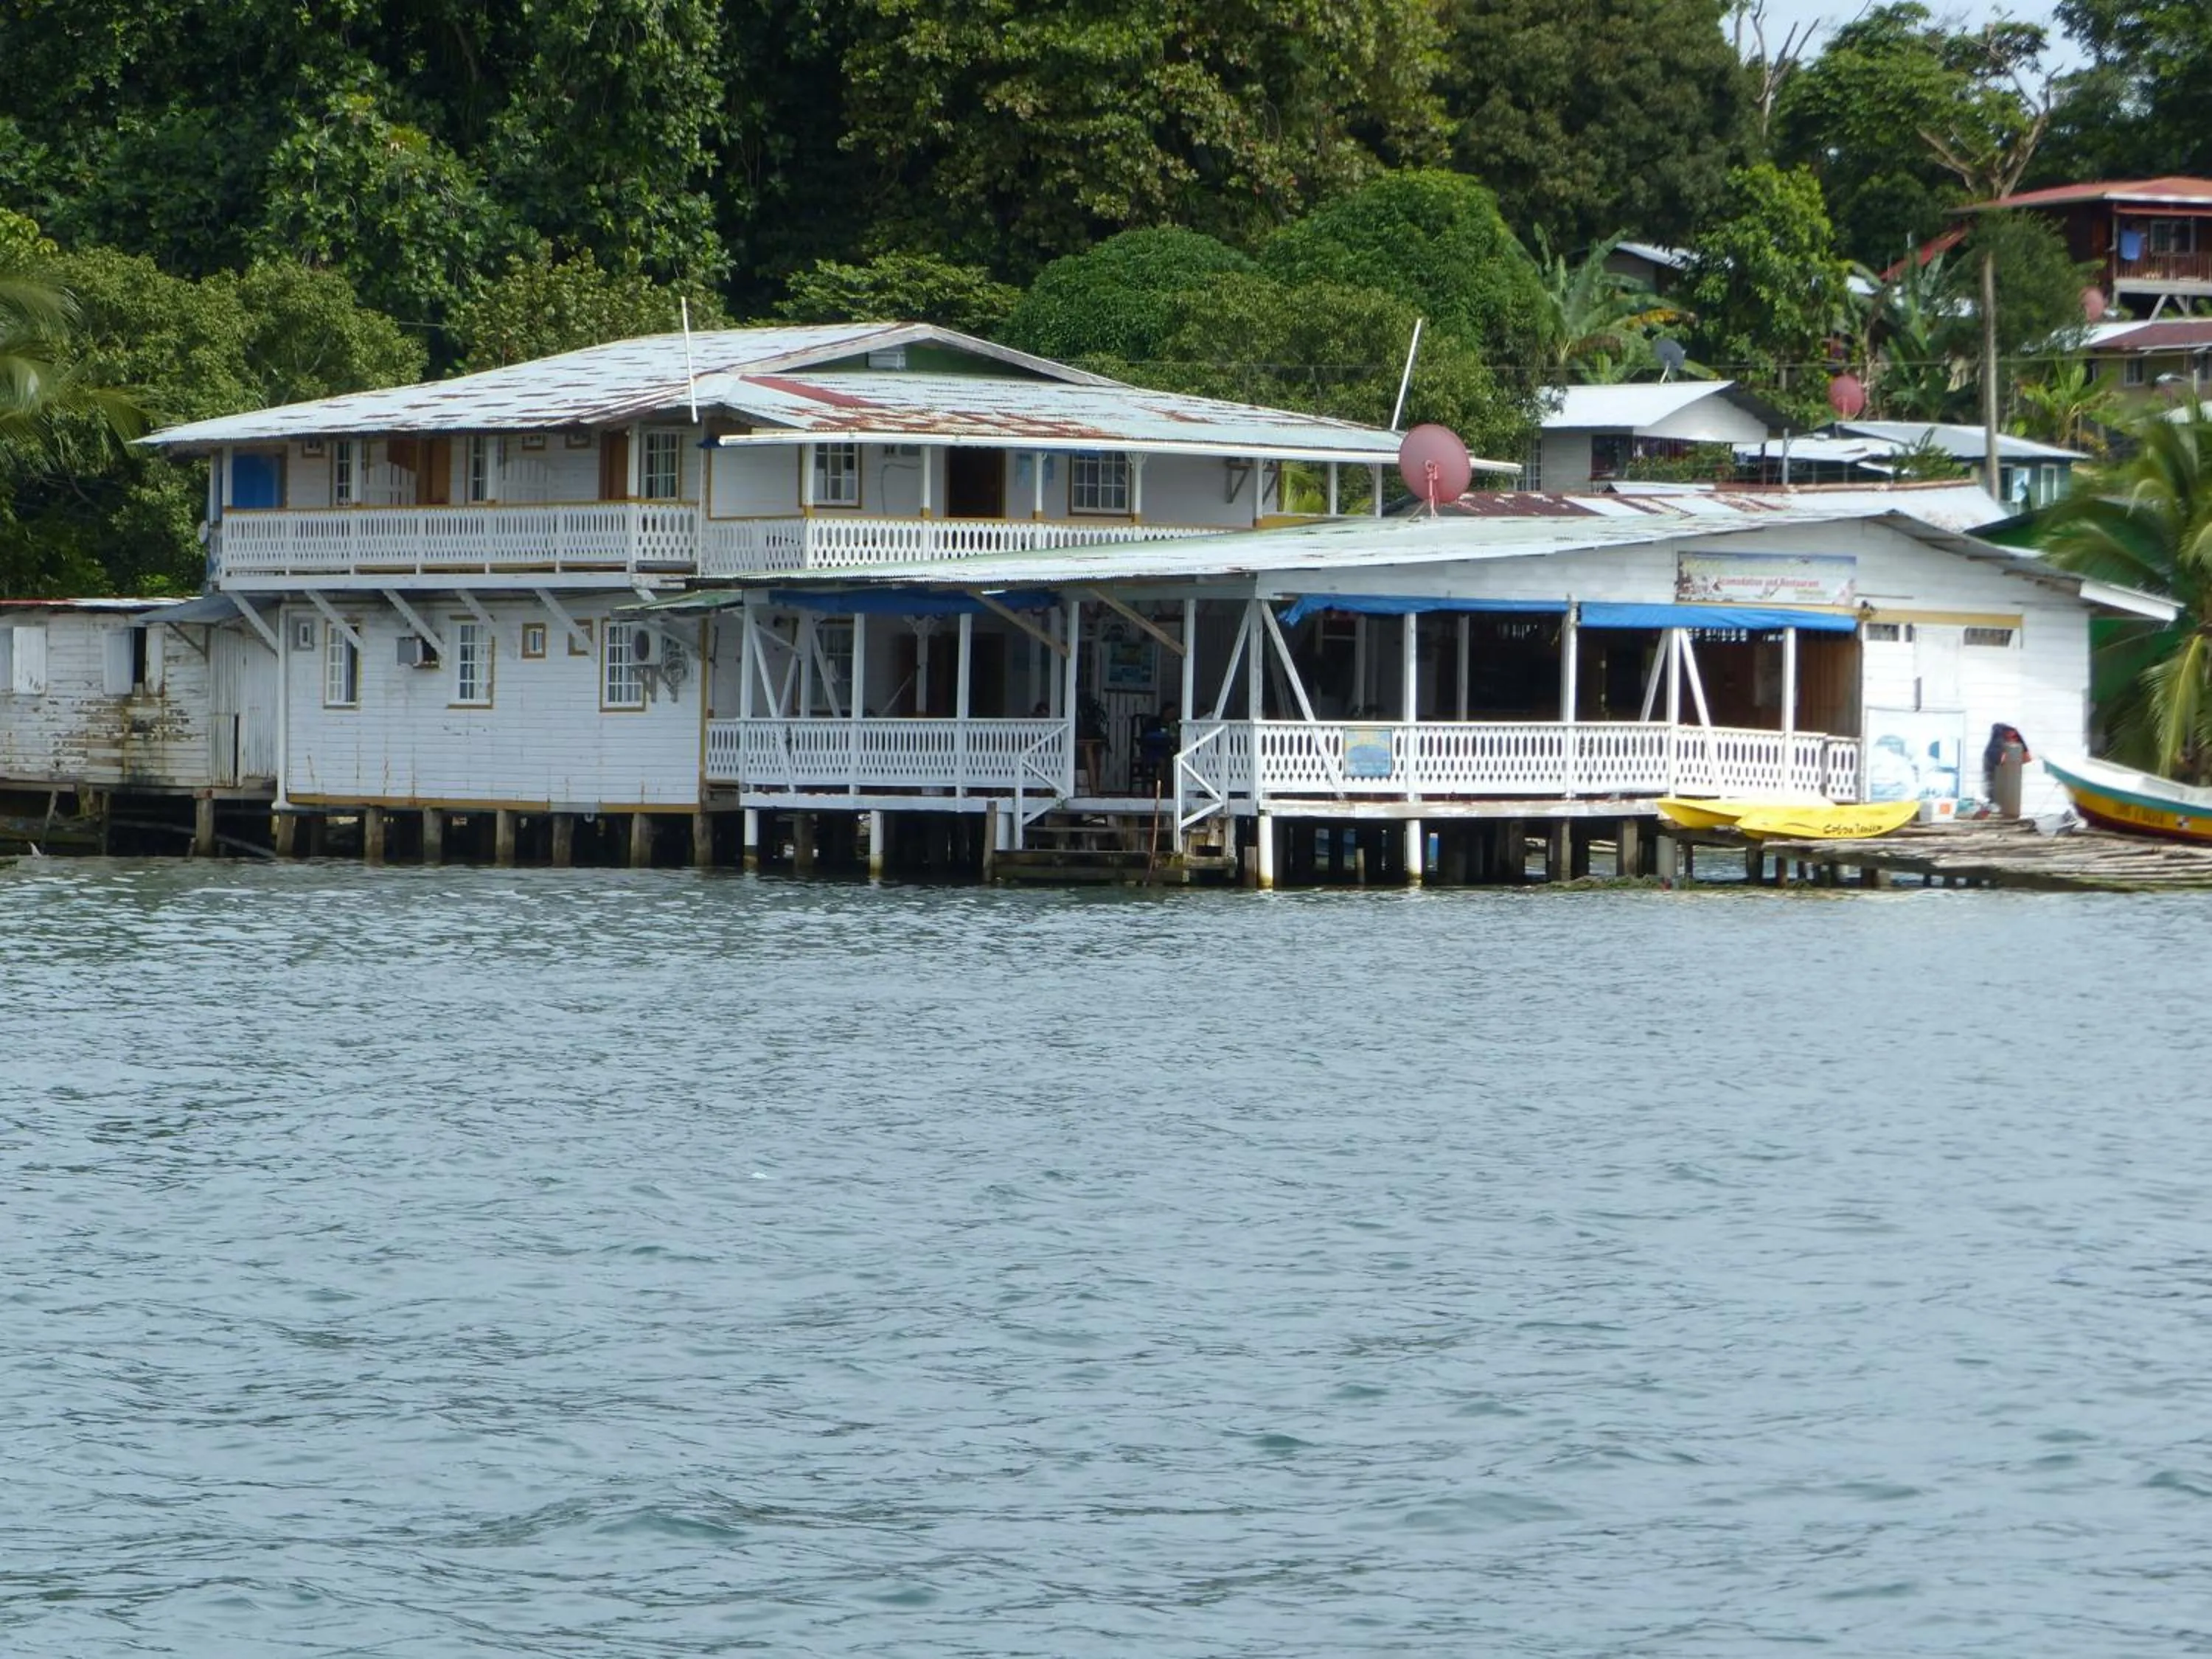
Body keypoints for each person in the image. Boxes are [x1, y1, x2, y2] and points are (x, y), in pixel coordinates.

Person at [1982, 723, 2031, 803]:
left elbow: (2027, 758)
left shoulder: (2008, 747)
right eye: (2013, 737)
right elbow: (2001, 761)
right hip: (1996, 788)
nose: (2014, 740)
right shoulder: (1995, 749)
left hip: (2007, 788)